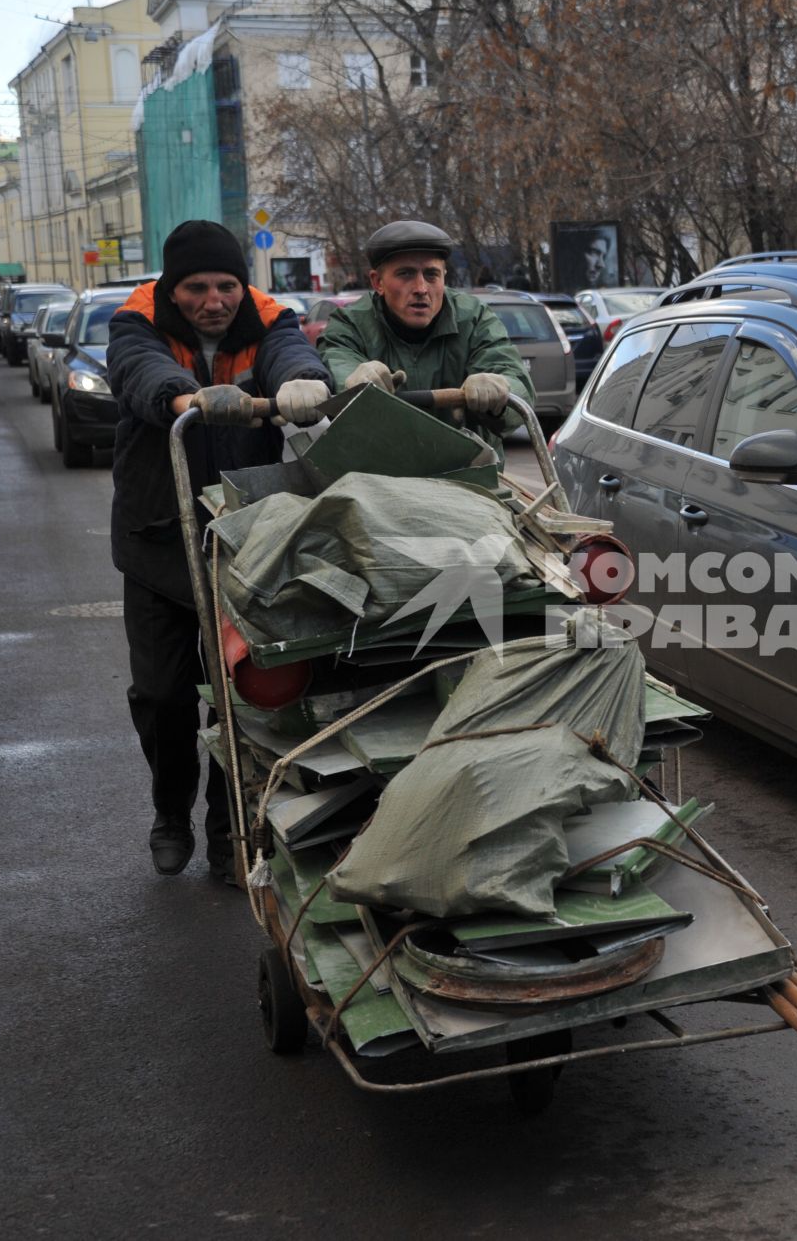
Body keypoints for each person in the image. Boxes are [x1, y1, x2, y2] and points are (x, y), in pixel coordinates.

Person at [107, 219, 332, 884]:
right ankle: (169, 812)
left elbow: (292, 352)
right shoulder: (136, 319)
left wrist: (302, 382)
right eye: (197, 287)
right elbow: (137, 369)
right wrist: (186, 396)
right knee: (164, 694)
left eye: (226, 285)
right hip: (158, 542)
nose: (214, 301)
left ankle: (229, 828)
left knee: (242, 696)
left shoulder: (268, 318)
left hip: (244, 543)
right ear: (173, 289)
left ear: (244, 283)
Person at [316, 220, 532, 443]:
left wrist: (498, 388)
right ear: (378, 282)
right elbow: (337, 361)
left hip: (469, 470)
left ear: (444, 277)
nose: (421, 289)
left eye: (431, 275)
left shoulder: (474, 318)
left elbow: (516, 385)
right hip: (378, 474)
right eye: (406, 274)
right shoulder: (350, 323)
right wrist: (352, 379)